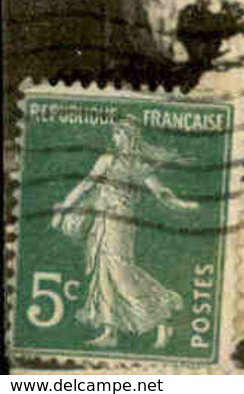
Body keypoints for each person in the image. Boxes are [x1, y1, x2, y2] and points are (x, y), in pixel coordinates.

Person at [51, 117, 198, 350]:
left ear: (132, 137)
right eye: (116, 134)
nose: (117, 138)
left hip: (121, 223)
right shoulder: (108, 159)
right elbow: (85, 185)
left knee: (120, 272)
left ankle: (162, 316)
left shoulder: (139, 165)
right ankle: (110, 331)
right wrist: (63, 211)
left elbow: (161, 192)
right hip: (102, 220)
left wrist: (183, 205)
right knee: (103, 271)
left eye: (122, 134)